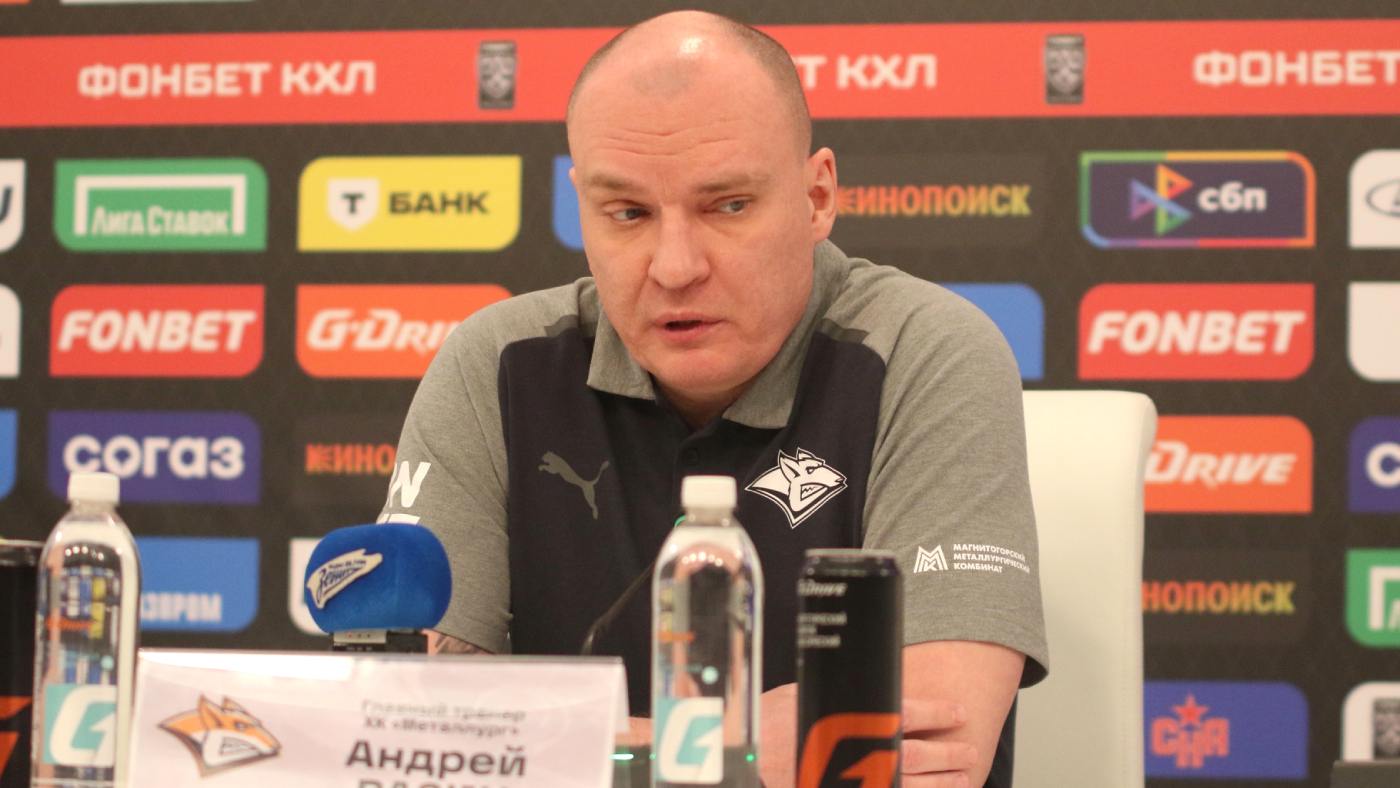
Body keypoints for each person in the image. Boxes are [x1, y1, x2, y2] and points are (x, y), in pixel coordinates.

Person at [378, 11, 1047, 788]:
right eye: (627, 214)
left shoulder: (925, 353)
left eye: (727, 205)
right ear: (581, 205)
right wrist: (744, 748)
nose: (674, 266)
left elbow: (934, 754)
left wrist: (542, 737)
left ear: (817, 196)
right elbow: (405, 729)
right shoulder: (494, 363)